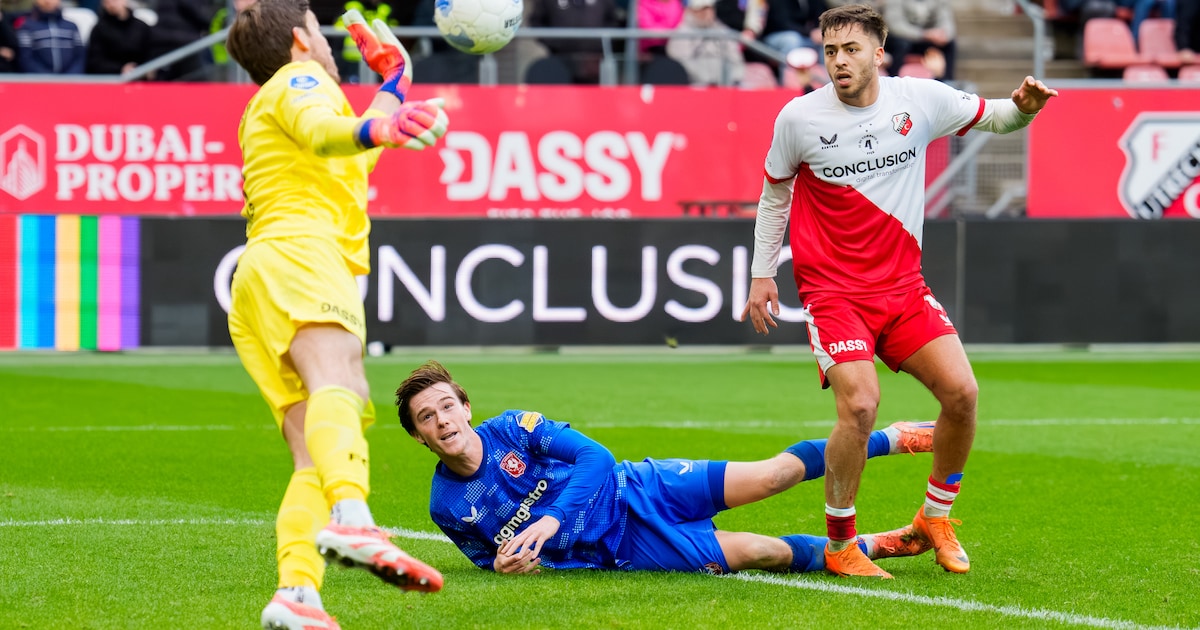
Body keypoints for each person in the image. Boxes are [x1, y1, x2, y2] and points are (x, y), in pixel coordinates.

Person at [739, 4, 1056, 579]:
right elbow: (774, 196)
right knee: (859, 405)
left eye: (851, 49)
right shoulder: (799, 118)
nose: (839, 61)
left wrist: (1026, 109)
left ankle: (932, 519)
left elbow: (1000, 117)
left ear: (879, 52)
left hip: (903, 288)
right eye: (831, 51)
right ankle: (841, 545)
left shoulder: (920, 100)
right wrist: (763, 274)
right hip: (835, 294)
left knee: (962, 393)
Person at [223, 2, 450, 628]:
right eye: (322, 33)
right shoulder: (300, 83)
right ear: (302, 39)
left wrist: (395, 81)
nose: (329, 46)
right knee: (341, 386)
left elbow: (349, 146)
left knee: (310, 455)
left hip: (265, 271)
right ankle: (355, 520)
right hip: (302, 253)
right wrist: (380, 125)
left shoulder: (282, 105)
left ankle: (297, 593)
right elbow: (335, 131)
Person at [395, 360, 937, 576]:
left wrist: (552, 519)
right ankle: (880, 543)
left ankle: (891, 437)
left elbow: (597, 459)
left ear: (465, 407)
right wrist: (508, 567)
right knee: (760, 552)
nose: (442, 420)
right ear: (420, 437)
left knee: (775, 475)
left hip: (639, 488)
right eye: (427, 417)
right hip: (624, 548)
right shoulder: (446, 508)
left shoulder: (512, 428)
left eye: (447, 406)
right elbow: (487, 559)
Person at [527, 0, 624, 84]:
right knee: (561, 101)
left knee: (592, 102)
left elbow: (613, 22)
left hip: (594, 64)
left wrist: (599, 43)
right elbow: (536, 22)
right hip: (559, 61)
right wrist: (556, 42)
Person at [667, 0, 746, 86]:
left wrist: (729, 80)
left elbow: (735, 59)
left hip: (725, 85)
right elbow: (683, 65)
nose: (708, 13)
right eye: (703, 9)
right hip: (694, 87)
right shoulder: (682, 34)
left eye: (710, 8)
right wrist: (708, 82)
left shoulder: (723, 31)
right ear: (693, 10)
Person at [883, 0, 956, 81]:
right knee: (901, 45)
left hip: (928, 39)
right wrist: (923, 34)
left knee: (950, 44)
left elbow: (947, 22)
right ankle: (892, 78)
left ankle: (947, 81)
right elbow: (895, 26)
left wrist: (943, 35)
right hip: (903, 38)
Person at [14, 0, 86, 74]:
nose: (48, 1)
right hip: (38, 81)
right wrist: (47, 79)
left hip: (71, 81)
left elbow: (80, 57)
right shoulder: (27, 27)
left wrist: (71, 77)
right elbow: (25, 59)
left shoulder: (71, 27)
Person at [85, 0, 153, 76]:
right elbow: (95, 61)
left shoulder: (141, 27)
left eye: (115, 1)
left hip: (141, 78)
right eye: (106, 2)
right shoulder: (99, 29)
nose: (111, 4)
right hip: (110, 79)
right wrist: (121, 69)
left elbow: (151, 53)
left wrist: (143, 68)